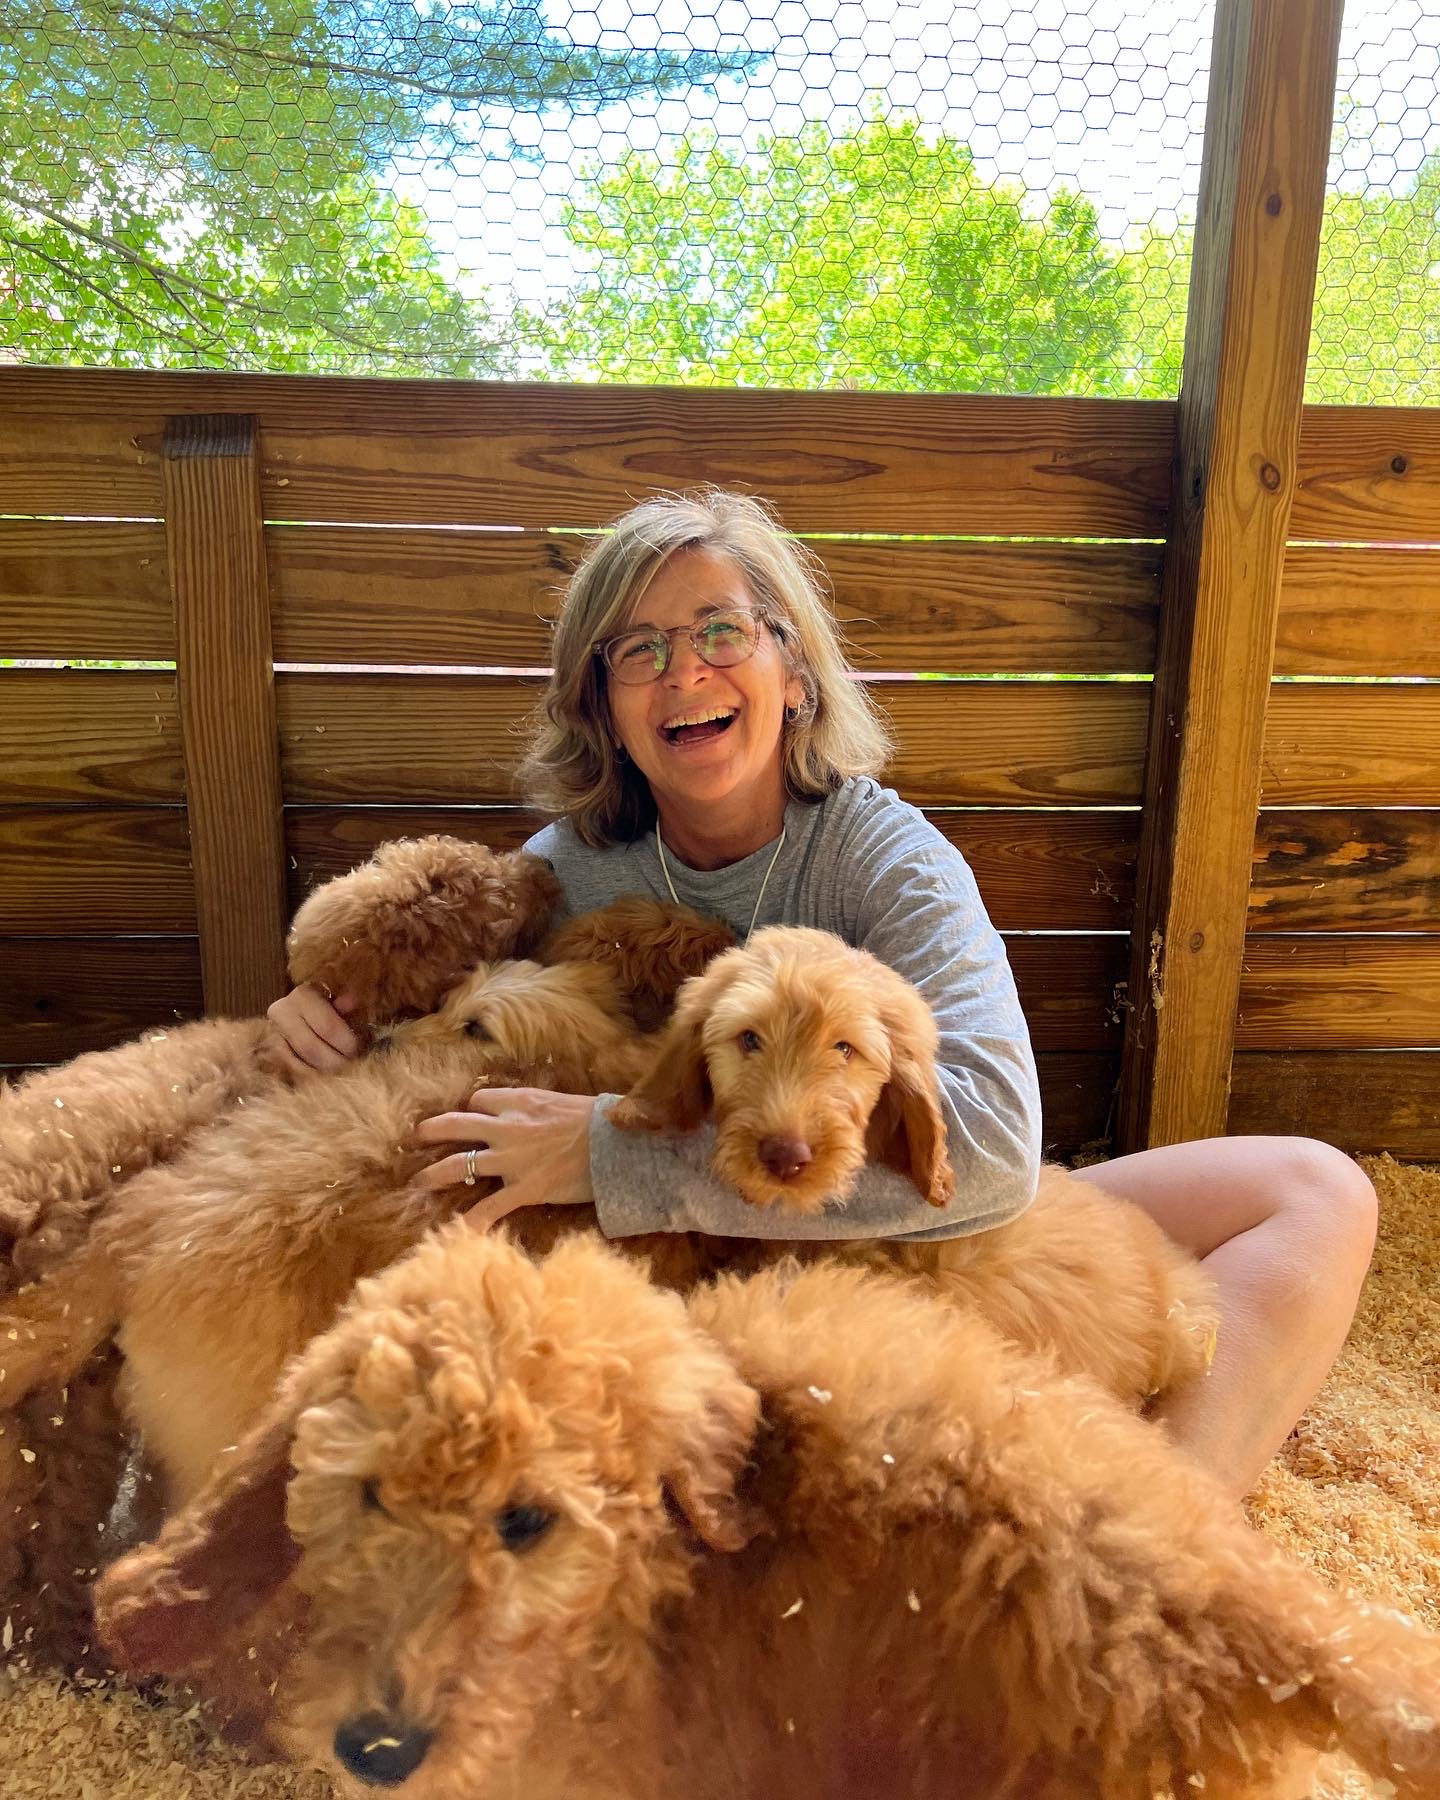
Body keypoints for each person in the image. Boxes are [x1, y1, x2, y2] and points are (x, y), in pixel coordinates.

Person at [263, 487, 1377, 1500]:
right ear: (601, 704)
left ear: (794, 671)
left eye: (720, 632)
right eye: (638, 650)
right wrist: (318, 1021)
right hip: (708, 1286)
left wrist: (617, 1161)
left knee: (1316, 1190)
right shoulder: (563, 871)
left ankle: (1180, 1513)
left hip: (904, 1221)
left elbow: (990, 1152)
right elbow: (431, 1033)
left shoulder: (888, 860)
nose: (684, 673)